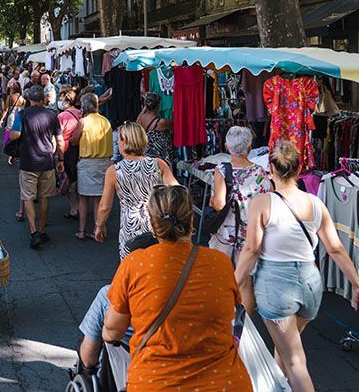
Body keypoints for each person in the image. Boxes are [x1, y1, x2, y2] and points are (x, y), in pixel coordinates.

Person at [235, 140, 359, 392]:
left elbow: (251, 249)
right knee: (285, 350)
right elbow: (336, 248)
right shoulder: (315, 203)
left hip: (276, 287)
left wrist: (233, 284)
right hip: (309, 285)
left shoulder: (262, 202)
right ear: (298, 170)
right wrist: (357, 285)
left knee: (295, 361)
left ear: (270, 171)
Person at [103, 185, 253, 391]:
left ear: (153, 226)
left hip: (156, 381)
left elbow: (112, 331)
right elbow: (232, 311)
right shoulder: (220, 263)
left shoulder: (135, 264)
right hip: (225, 381)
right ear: (191, 222)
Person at [94, 122, 179, 260]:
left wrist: (100, 226)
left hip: (130, 226)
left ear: (125, 141)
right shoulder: (159, 163)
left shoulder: (114, 171)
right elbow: (177, 191)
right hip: (157, 223)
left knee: (132, 268)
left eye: (119, 139)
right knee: (156, 266)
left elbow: (104, 206)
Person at [9, 85, 65, 250]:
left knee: (27, 196)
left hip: (28, 161)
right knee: (44, 197)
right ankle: (41, 230)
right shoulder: (52, 115)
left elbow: (14, 135)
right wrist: (60, 159)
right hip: (46, 161)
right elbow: (60, 141)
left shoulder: (23, 114)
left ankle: (34, 232)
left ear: (29, 99)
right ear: (43, 99)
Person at [208, 125, 272, 260]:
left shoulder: (222, 170)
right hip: (252, 231)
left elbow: (219, 205)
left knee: (222, 270)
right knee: (245, 275)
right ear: (249, 148)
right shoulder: (260, 171)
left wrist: (212, 200)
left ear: (227, 146)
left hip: (227, 231)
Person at [73, 93, 113, 240]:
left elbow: (74, 140)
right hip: (104, 162)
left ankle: (82, 231)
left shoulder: (83, 121)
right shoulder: (106, 121)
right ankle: (98, 230)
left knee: (83, 198)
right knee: (98, 198)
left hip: (87, 162)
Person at [57, 87, 82, 221]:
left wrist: (58, 157)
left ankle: (74, 208)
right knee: (76, 180)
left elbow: (58, 137)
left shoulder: (62, 116)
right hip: (80, 149)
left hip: (66, 151)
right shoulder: (80, 113)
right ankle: (79, 207)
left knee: (68, 180)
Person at [137, 93, 173, 163]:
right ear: (158, 105)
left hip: (147, 157)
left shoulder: (141, 119)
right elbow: (176, 125)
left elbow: (137, 121)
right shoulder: (161, 122)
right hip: (161, 158)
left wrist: (145, 108)